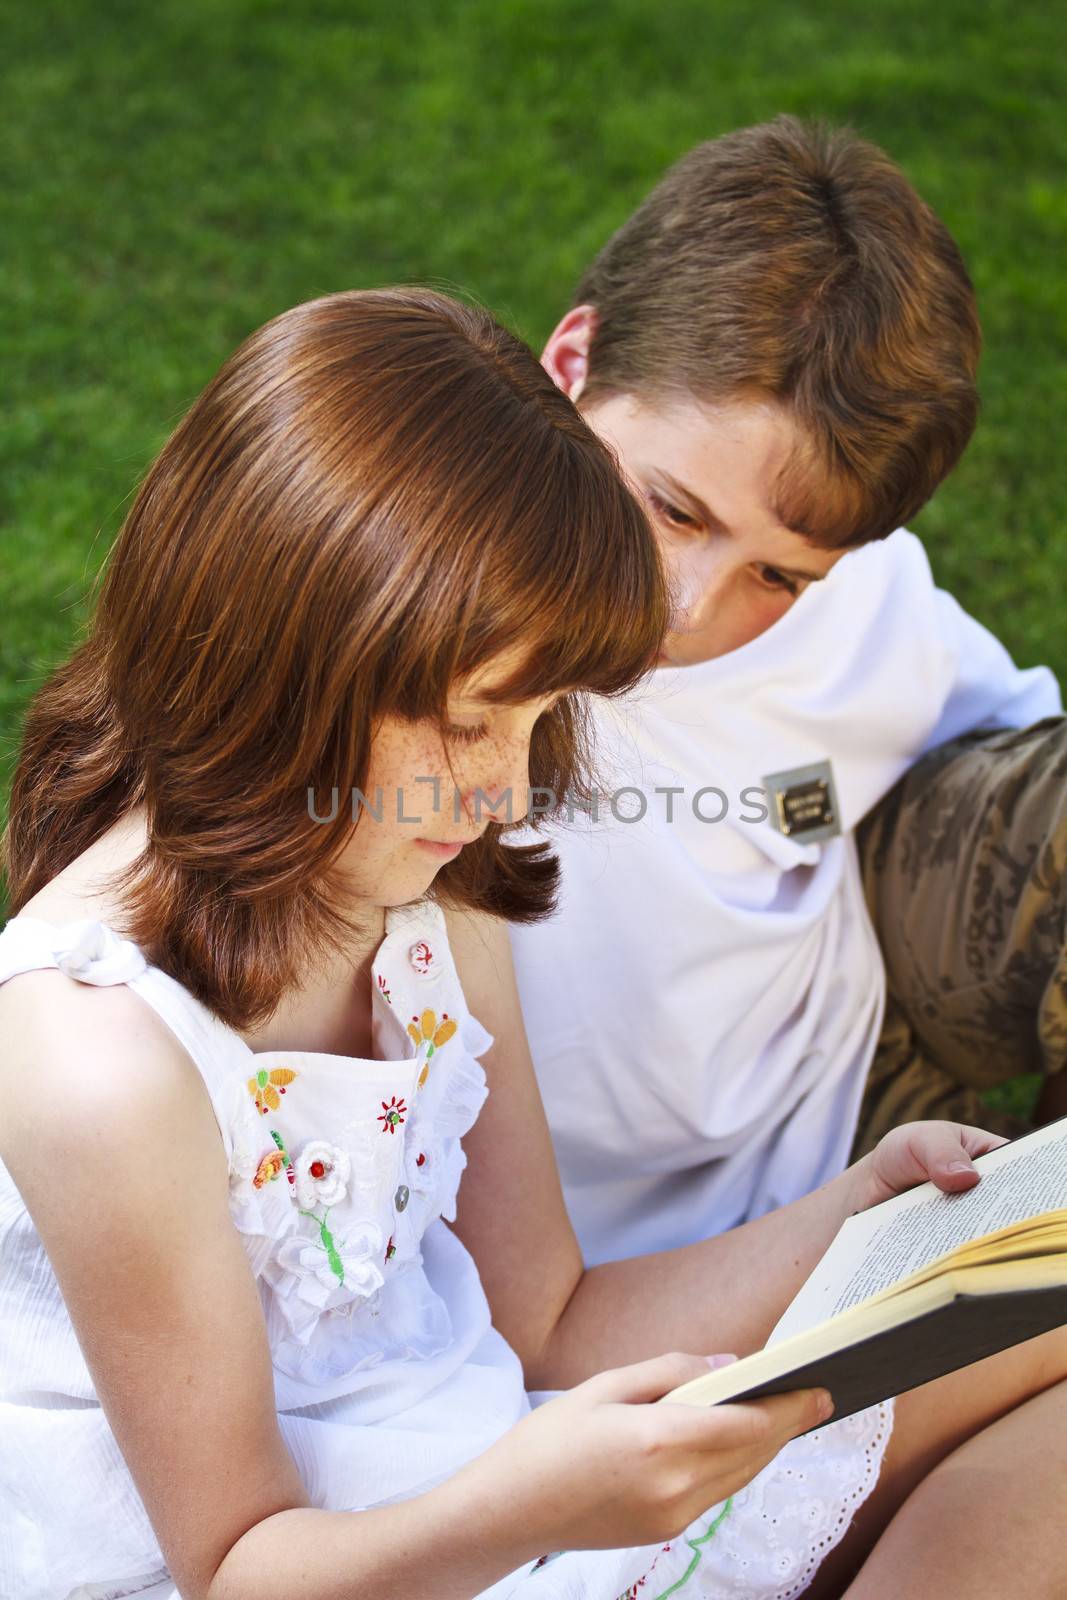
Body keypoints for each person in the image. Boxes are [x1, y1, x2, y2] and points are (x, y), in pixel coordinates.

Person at [1, 287, 1064, 1600]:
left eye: (538, 715)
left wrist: (851, 1216)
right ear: (283, 660)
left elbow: (549, 1321)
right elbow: (232, 1568)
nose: (507, 791)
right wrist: (529, 1504)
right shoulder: (95, 1050)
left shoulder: (425, 898)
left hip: (502, 1470)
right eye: (467, 721)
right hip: (385, 1552)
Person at [508, 115, 1067, 1270]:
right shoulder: (410, 585)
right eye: (672, 510)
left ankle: (1031, 1220)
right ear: (571, 363)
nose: (688, 607)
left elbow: (1015, 769)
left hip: (837, 1101)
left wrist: (797, 812)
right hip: (552, 1241)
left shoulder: (865, 607)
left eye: (777, 573)